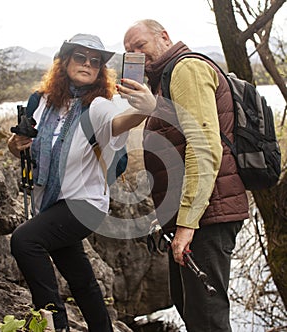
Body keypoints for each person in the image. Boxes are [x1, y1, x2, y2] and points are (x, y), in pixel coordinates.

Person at [8, 33, 156, 332]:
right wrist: (15, 142)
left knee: (24, 240)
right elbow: (20, 148)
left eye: (95, 60)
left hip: (85, 204)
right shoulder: (41, 102)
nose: (87, 64)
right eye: (80, 57)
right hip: (51, 205)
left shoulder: (100, 105)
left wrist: (145, 108)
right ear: (64, 61)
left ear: (101, 69)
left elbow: (120, 122)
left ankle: (54, 324)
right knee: (81, 279)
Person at [117, 19, 249, 332]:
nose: (136, 54)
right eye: (129, 52)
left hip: (208, 214)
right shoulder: (164, 80)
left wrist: (188, 224)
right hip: (191, 215)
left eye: (140, 46)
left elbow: (204, 147)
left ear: (164, 36)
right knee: (189, 306)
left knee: (207, 318)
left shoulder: (186, 68)